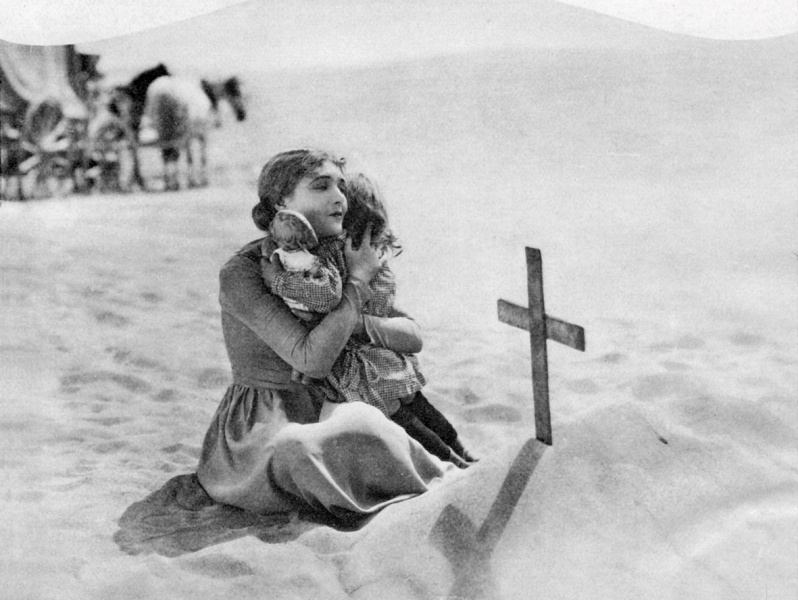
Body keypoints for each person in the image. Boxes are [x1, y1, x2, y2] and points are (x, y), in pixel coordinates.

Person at [196, 148, 456, 519]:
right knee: (301, 445)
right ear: (281, 202)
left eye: (341, 187)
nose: (340, 199)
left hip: (328, 403)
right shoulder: (244, 272)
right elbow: (311, 361)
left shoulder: (333, 255)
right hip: (264, 423)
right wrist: (358, 282)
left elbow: (411, 333)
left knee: (367, 419)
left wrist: (359, 306)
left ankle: (449, 475)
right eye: (321, 187)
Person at [267, 172, 477, 467]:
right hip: (380, 357)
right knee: (414, 404)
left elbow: (327, 302)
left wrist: (281, 281)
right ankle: (459, 454)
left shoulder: (336, 254)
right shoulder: (371, 254)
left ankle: (453, 459)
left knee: (402, 413)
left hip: (360, 360)